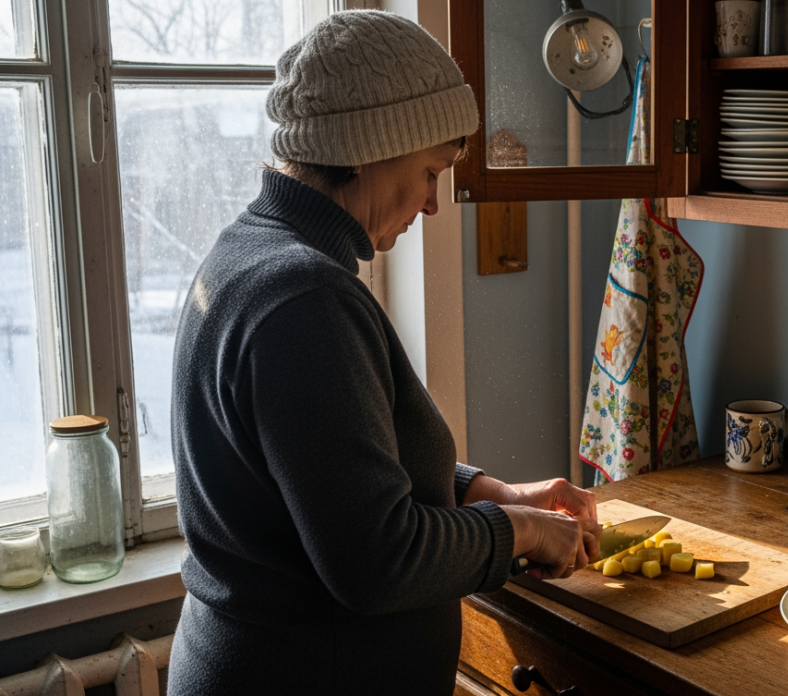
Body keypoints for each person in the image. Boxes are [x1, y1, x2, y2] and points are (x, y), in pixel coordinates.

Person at [167, 11, 599, 695]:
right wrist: (518, 529)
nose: (432, 203)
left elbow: (335, 466)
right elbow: (378, 561)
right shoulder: (305, 296)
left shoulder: (250, 252)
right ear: (371, 146)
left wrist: (484, 491)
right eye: (430, 171)